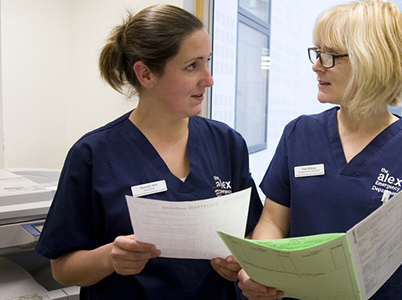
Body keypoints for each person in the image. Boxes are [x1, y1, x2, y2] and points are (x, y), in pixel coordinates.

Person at [212, 1, 402, 299]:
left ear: (371, 60)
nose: (316, 65)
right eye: (317, 52)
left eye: (330, 55)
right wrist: (259, 270)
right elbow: (272, 221)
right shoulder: (299, 134)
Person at [35, 4, 263, 300]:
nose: (209, 79)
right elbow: (62, 269)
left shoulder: (227, 143)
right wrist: (109, 257)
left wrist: (239, 262)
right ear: (145, 75)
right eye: (192, 66)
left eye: (207, 62)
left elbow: (252, 236)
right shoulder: (93, 154)